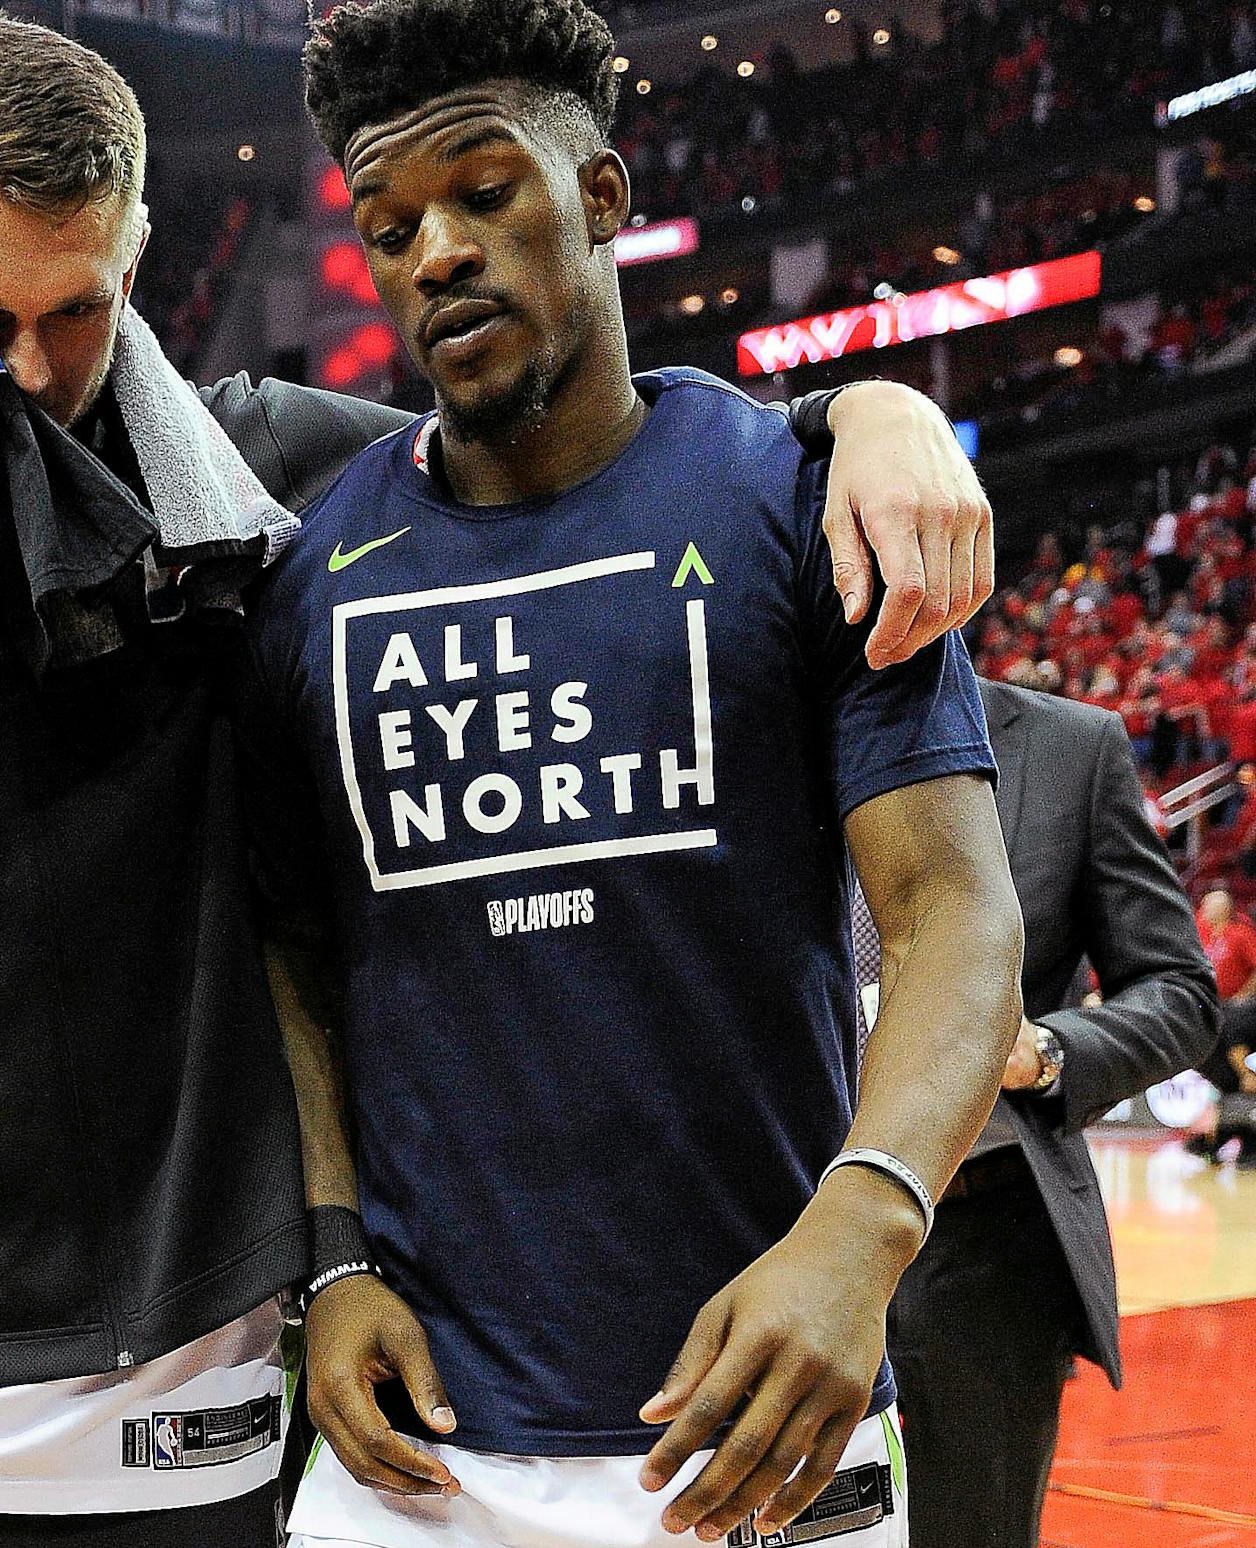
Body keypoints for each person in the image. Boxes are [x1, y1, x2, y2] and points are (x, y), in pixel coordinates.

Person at [0, 16, 995, 1543]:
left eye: (86, 309)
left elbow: (580, 453)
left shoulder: (251, 483)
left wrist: (863, 415)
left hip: (211, 1408)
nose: (39, 372)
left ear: (136, 255)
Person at [246, 3, 1026, 1545]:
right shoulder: (315, 574)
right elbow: (297, 955)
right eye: (390, 226)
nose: (437, 254)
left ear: (600, 197)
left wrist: (862, 1231)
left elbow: (954, 910)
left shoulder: (804, 503)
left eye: (486, 192)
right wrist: (333, 1256)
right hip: (420, 1463)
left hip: (754, 1435)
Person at [879, 679, 1218, 1547]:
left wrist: (1049, 1050)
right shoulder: (738, 734)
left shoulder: (1074, 746)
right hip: (769, 1228)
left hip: (982, 1243)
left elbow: (1179, 992)